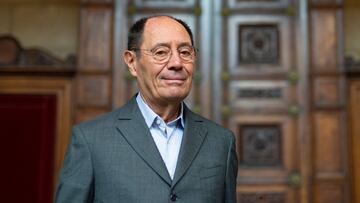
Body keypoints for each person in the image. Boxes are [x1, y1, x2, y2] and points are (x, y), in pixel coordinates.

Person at [55, 15, 238, 203]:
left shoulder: (221, 142)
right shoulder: (91, 140)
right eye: (161, 52)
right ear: (132, 62)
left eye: (185, 52)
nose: (176, 63)